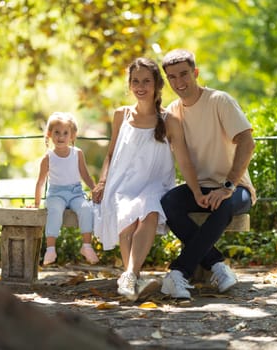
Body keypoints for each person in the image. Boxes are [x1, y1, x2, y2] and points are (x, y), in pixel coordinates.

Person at [92, 57, 205, 301]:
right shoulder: (121, 115)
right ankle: (132, 278)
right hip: (122, 184)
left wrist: (196, 191)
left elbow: (184, 160)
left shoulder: (169, 120)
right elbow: (111, 153)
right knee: (127, 214)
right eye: (135, 81)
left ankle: (129, 276)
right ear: (129, 85)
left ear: (156, 85)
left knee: (151, 210)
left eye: (146, 81)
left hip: (155, 184)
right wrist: (102, 182)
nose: (140, 86)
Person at [159, 49, 256, 299]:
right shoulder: (172, 112)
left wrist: (228, 186)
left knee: (222, 205)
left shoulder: (219, 101)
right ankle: (217, 265)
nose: (179, 82)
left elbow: (247, 142)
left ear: (196, 72)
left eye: (184, 74)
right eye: (172, 77)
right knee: (168, 202)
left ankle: (179, 271)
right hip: (198, 188)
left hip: (236, 188)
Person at [34, 112, 99, 265]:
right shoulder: (48, 157)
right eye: (57, 132)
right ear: (49, 134)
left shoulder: (77, 154)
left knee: (86, 209)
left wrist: (95, 190)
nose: (61, 137)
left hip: (76, 193)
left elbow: (85, 175)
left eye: (65, 133)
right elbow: (40, 182)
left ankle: (87, 246)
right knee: (55, 210)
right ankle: (50, 249)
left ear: (72, 136)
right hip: (56, 194)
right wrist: (36, 204)